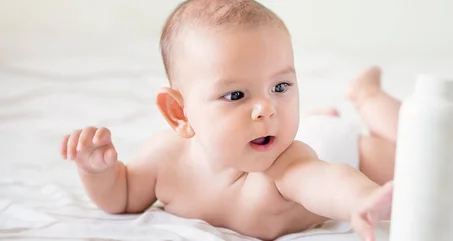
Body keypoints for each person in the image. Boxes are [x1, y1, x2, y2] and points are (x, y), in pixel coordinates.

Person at [59, 0, 402, 240]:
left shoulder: (284, 164)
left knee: (413, 148)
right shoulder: (165, 160)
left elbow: (326, 179)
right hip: (310, 135)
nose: (266, 108)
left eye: (280, 86)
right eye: (237, 95)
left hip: (341, 149)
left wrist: (360, 201)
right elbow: (122, 198)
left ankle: (366, 95)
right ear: (179, 113)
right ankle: (339, 107)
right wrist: (98, 171)